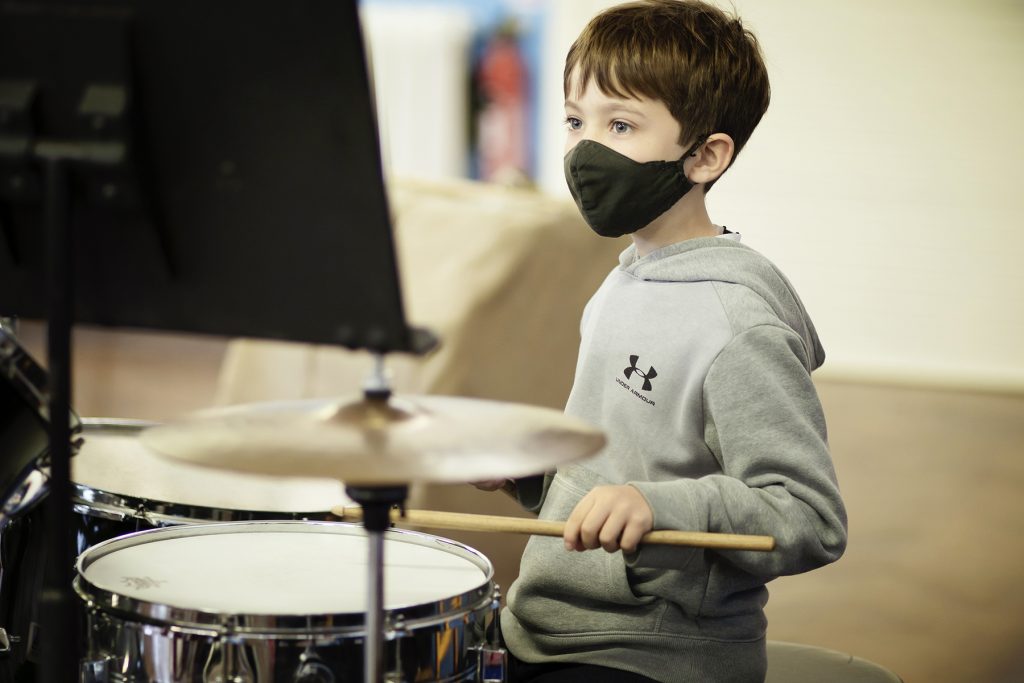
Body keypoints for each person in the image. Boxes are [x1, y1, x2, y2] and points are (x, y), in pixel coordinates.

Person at [474, 1, 848, 682]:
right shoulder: (623, 280)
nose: (585, 150)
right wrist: (530, 473)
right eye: (575, 121)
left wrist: (660, 507)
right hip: (543, 623)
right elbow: (620, 467)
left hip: (652, 653)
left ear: (704, 156)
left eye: (620, 125)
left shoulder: (737, 324)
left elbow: (808, 517)